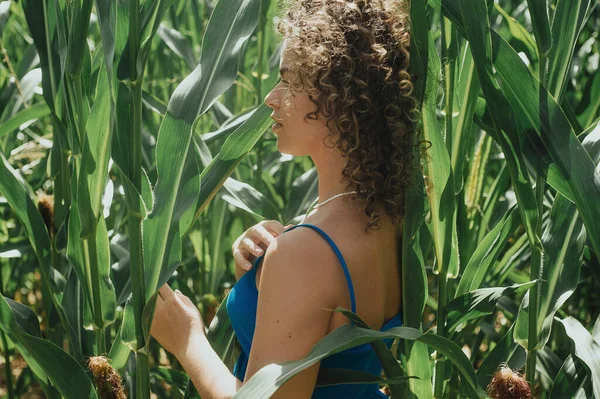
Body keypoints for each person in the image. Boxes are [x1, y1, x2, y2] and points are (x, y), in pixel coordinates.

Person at [150, 0, 417, 397]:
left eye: (290, 81)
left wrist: (186, 338)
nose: (271, 98)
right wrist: (257, 271)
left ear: (337, 95)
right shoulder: (390, 216)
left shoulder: (305, 255)